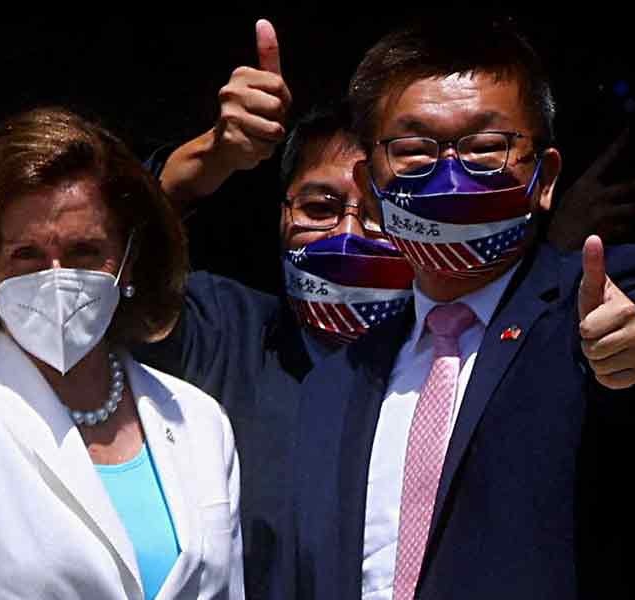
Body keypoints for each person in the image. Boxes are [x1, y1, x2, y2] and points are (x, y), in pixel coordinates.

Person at [281, 18, 635, 600]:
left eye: (483, 148)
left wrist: (633, 348)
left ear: (545, 177)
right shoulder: (336, 384)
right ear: (370, 186)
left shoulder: (589, 309)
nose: (451, 176)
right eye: (414, 150)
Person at [0, 107, 243, 599]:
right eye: (27, 255)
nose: (56, 276)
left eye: (85, 251)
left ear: (127, 262)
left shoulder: (197, 419)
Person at [136, 21, 413, 599]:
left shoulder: (454, 355)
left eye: (380, 214)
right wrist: (205, 159)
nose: (347, 234)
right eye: (320, 207)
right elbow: (107, 269)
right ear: (281, 216)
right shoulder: (224, 331)